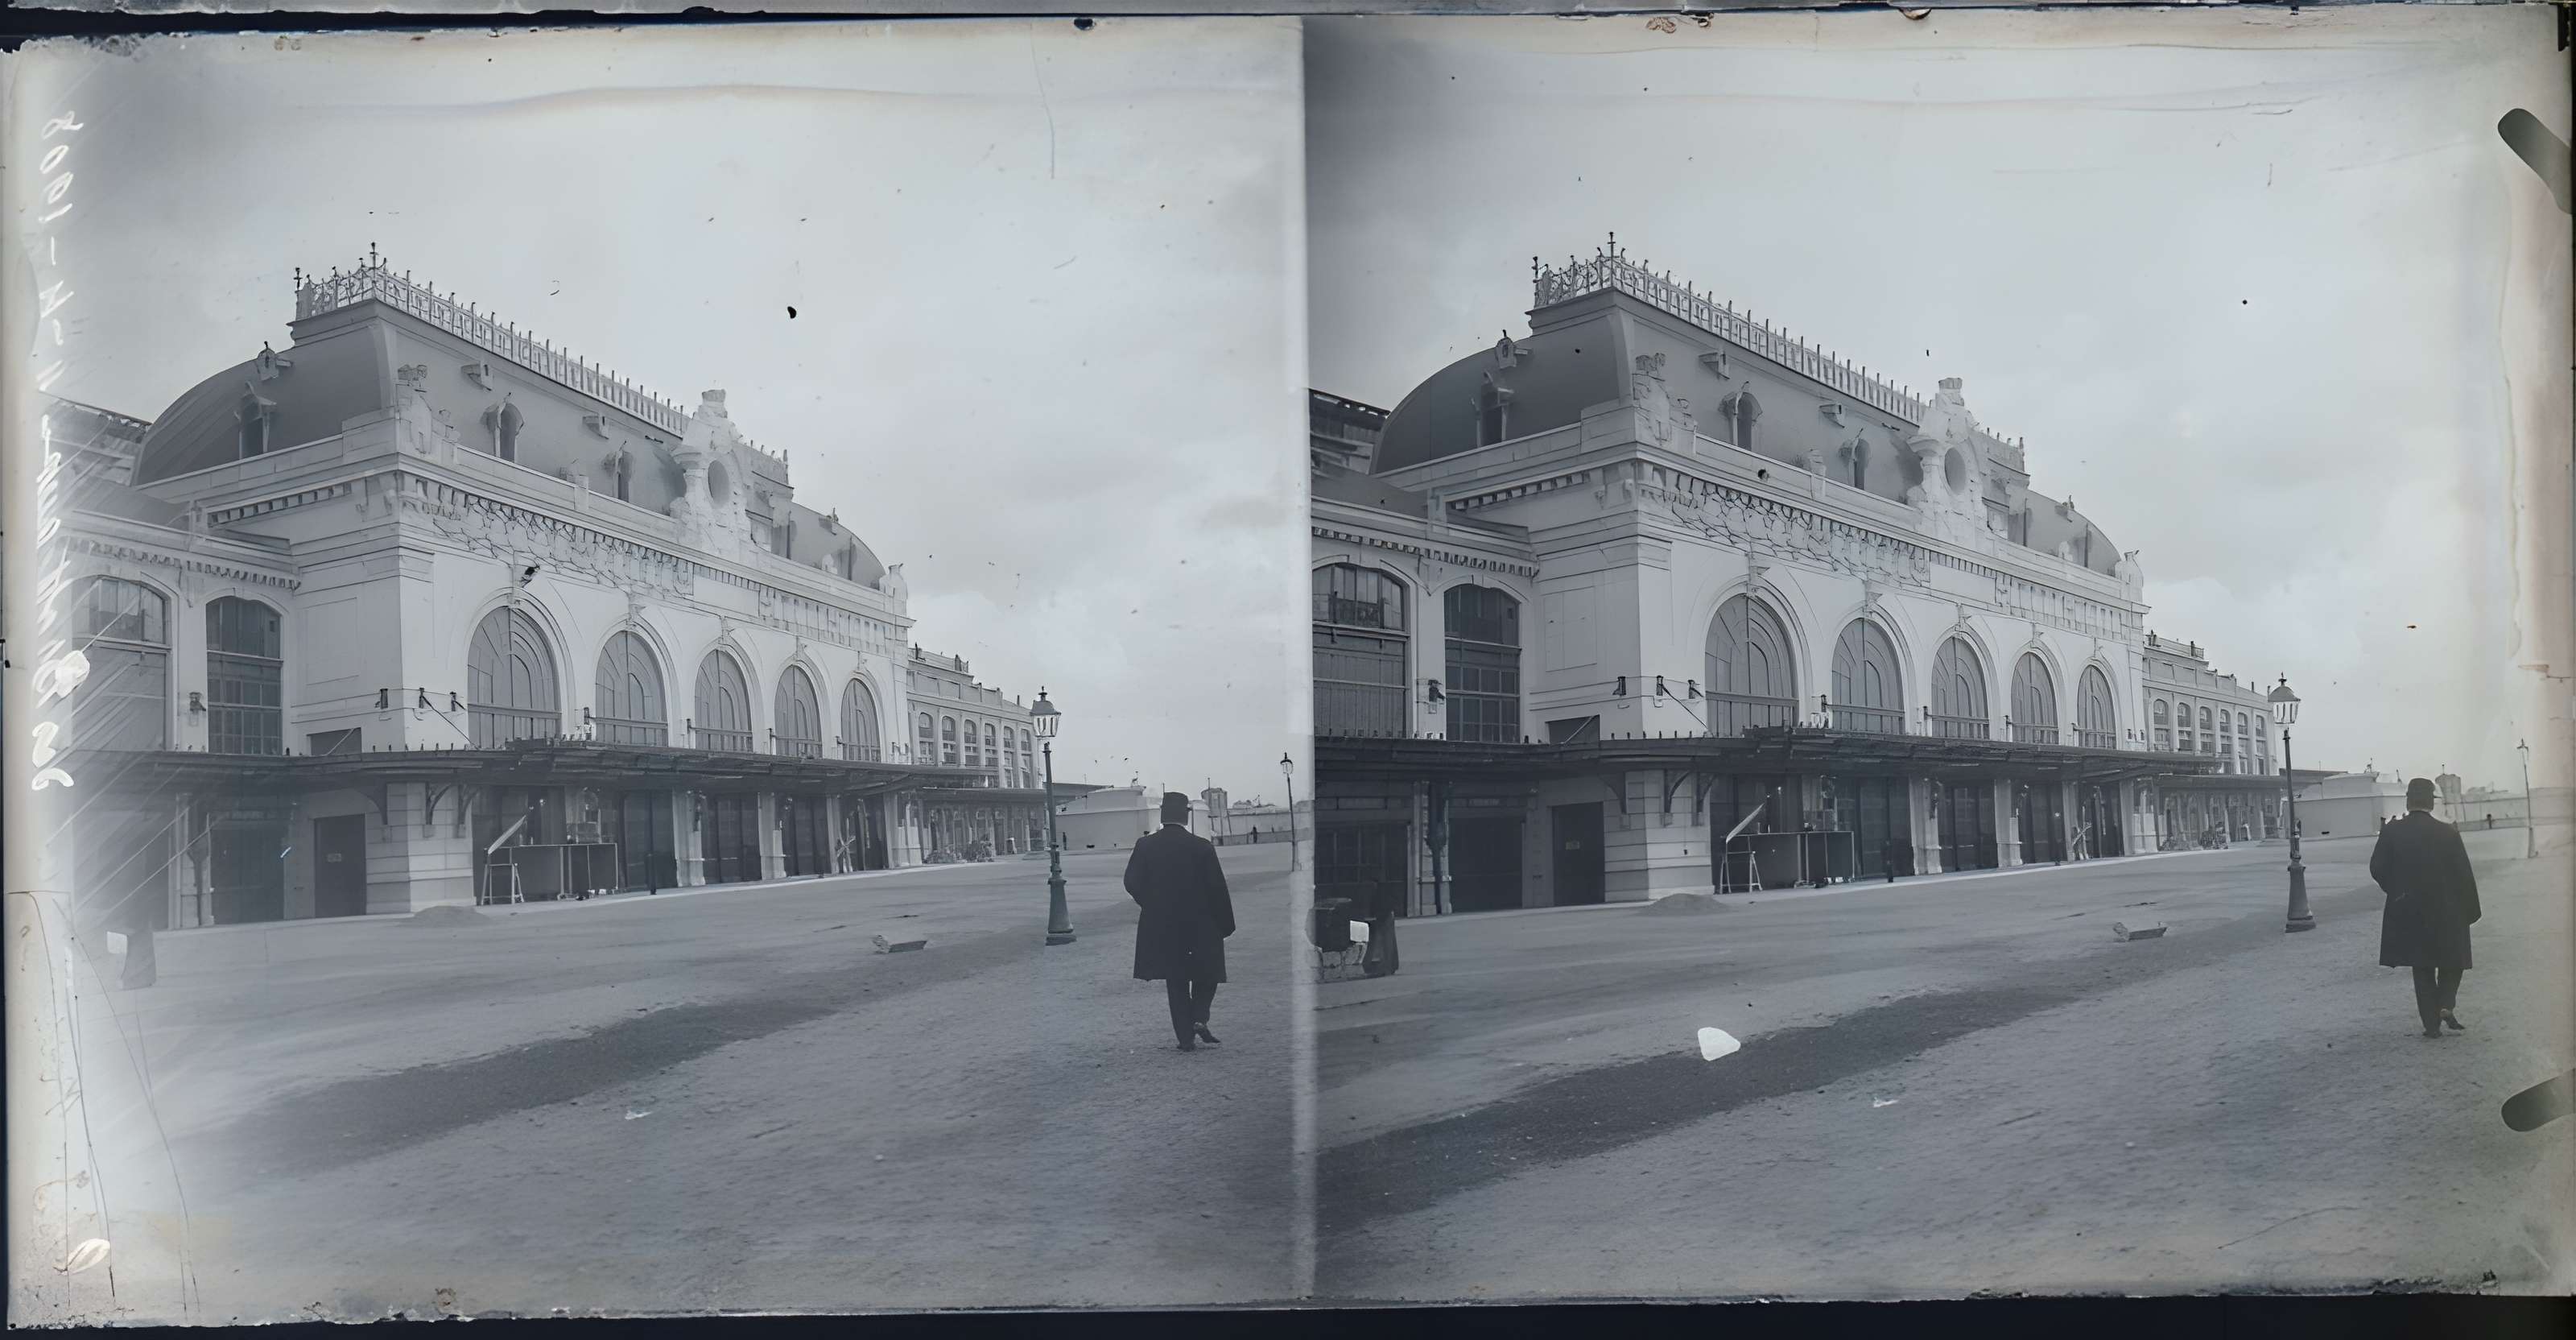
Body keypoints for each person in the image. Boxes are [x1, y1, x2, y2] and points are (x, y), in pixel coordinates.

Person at [2370, 777, 2483, 1039]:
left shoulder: (2392, 832)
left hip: (2409, 910)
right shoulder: (2448, 832)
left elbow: (2377, 868)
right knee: (2453, 960)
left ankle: (2431, 1026)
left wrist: (2397, 890)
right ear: (2431, 802)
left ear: (2408, 801)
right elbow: (2464, 875)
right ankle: (2445, 1003)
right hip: (2449, 910)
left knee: (2422, 966)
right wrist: (2470, 910)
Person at [1125, 792, 1236, 1052]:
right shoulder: (1202, 847)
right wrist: (1225, 924)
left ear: (1163, 816)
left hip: (1163, 925)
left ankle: (1185, 1038)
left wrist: (1151, 904)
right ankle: (1199, 1016)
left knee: (1176, 980)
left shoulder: (1145, 846)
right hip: (1202, 923)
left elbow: (1131, 882)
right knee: (1207, 972)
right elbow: (1217, 889)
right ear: (1185, 816)